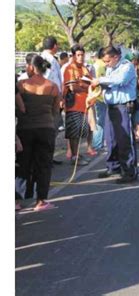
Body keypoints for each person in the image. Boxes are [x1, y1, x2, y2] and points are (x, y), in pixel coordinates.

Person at [16, 54, 60, 211]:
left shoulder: (21, 85)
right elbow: (56, 110)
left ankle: (16, 200)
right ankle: (41, 200)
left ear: (31, 67)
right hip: (46, 129)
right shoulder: (53, 86)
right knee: (44, 165)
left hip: (24, 129)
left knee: (22, 164)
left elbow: (17, 107)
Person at [91, 46, 138, 184]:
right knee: (110, 139)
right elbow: (110, 83)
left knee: (124, 140)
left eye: (107, 61)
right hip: (111, 106)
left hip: (123, 106)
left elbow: (120, 80)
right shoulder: (111, 67)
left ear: (115, 57)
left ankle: (129, 171)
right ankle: (113, 166)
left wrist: (100, 80)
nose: (106, 64)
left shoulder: (126, 66)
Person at [62, 44, 93, 166]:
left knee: (80, 132)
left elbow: (92, 83)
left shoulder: (85, 69)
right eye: (78, 55)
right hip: (73, 105)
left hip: (84, 105)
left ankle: (77, 154)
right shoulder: (70, 69)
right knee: (74, 133)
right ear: (73, 56)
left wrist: (84, 86)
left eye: (82, 55)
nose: (81, 57)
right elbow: (73, 87)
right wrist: (86, 87)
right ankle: (75, 156)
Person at [41, 36, 63, 165]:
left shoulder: (48, 58)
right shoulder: (48, 60)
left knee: (53, 128)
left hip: (52, 99)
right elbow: (49, 80)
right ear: (54, 46)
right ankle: (46, 157)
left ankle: (49, 155)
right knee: (50, 129)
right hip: (50, 100)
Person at [91, 47, 107, 152]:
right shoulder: (101, 65)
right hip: (100, 97)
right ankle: (97, 144)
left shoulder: (96, 65)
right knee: (100, 121)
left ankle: (99, 143)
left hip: (97, 96)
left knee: (100, 120)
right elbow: (102, 82)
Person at [130, 52, 139, 142]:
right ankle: (135, 134)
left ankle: (138, 134)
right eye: (133, 60)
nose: (134, 62)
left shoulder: (137, 69)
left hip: (137, 97)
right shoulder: (129, 70)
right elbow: (138, 82)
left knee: (138, 117)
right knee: (133, 117)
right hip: (131, 98)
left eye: (136, 60)